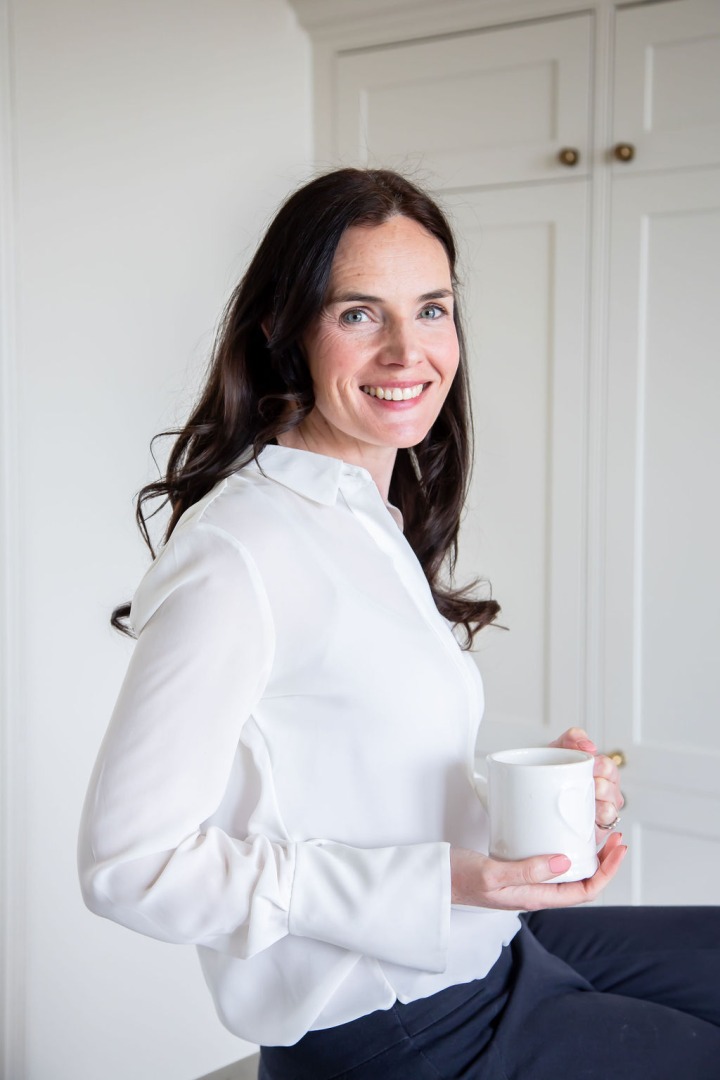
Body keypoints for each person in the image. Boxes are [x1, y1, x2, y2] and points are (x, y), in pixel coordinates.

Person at [78, 168, 720, 1079]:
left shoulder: (364, 512)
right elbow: (130, 866)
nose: (407, 351)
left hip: (494, 951)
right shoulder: (240, 552)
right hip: (406, 1033)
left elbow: (349, 773)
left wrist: (534, 804)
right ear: (281, 330)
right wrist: (442, 882)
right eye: (357, 314)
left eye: (431, 308)